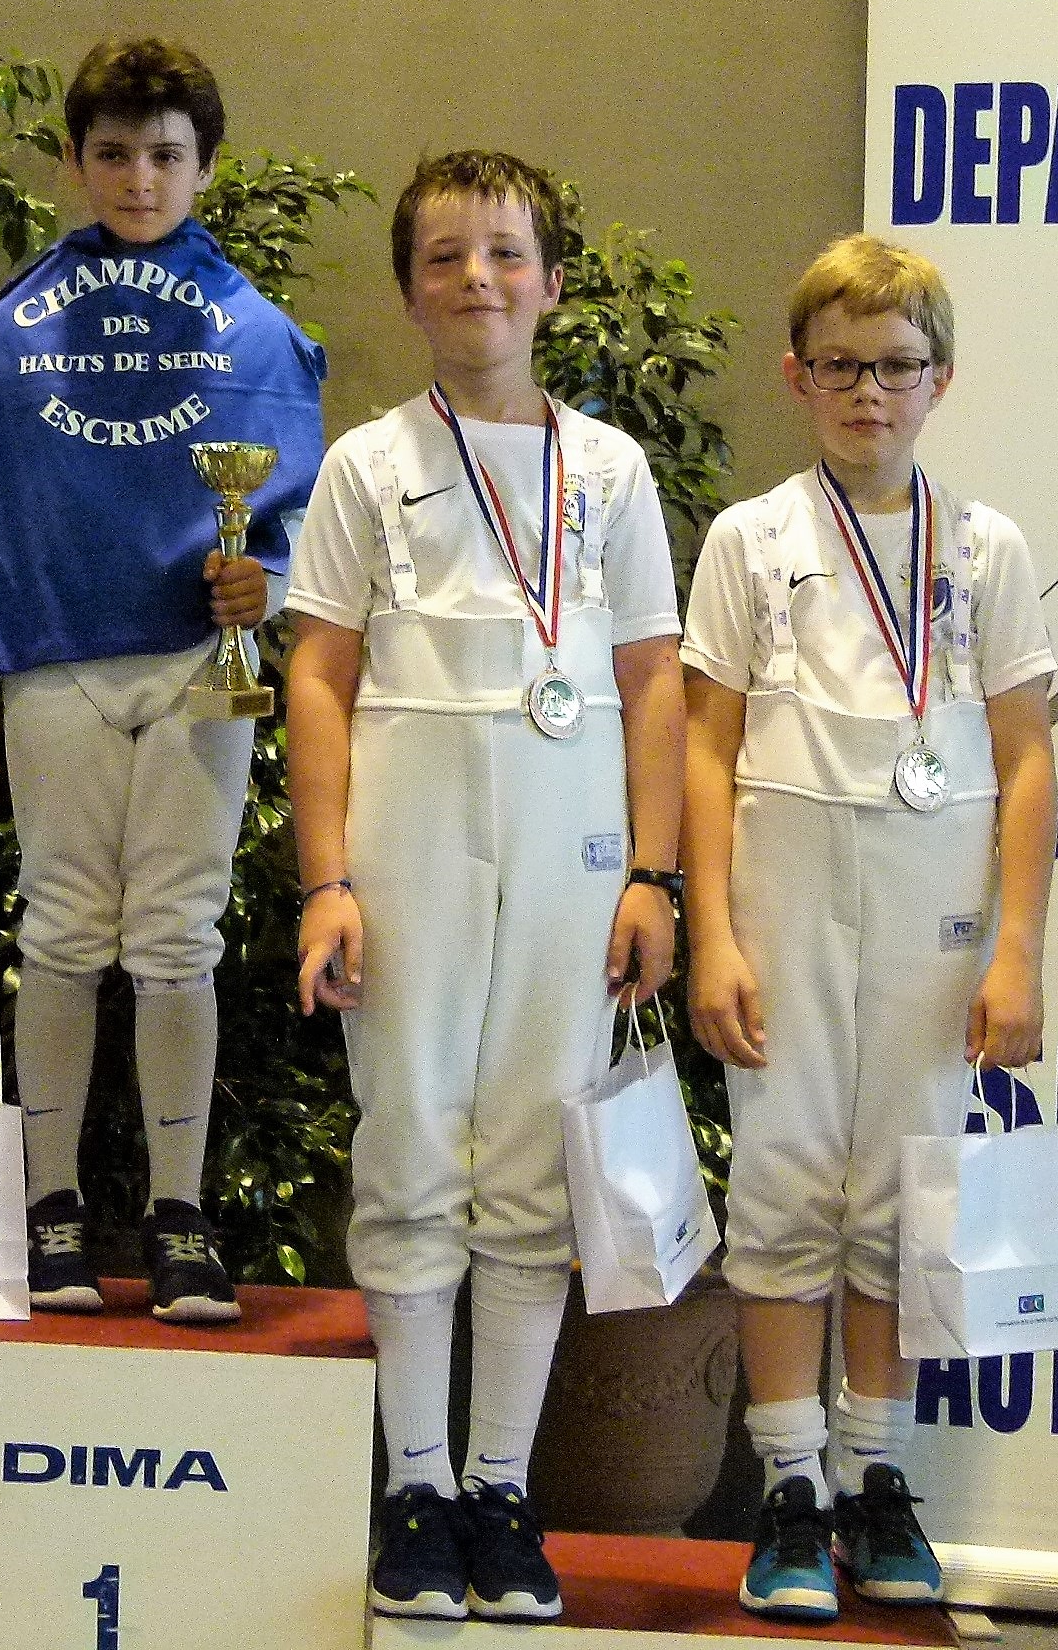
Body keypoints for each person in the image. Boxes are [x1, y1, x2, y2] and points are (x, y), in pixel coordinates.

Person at [286, 151, 685, 1623]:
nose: (479, 280)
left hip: (576, 853)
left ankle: (501, 1488)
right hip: (410, 851)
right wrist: (326, 881)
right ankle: (415, 1483)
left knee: (530, 1166)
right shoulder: (367, 464)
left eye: (507, 253)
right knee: (408, 1145)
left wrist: (653, 874)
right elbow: (317, 675)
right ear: (408, 291)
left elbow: (653, 681)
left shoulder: (614, 471)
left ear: (553, 283)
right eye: (446, 257)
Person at [0, 36, 328, 1324]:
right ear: (73, 161)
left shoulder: (259, 336)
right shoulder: (6, 339)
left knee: (177, 939)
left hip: (199, 666)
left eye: (164, 155)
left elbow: (305, 522)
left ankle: (180, 1216)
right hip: (57, 666)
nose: (140, 179)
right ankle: (52, 1211)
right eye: (113, 154)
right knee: (60, 933)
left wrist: (269, 585)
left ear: (206, 164)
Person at [679, 234, 1055, 1620]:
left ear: (939, 379)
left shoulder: (986, 548)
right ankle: (789, 1486)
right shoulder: (751, 540)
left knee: (908, 1185)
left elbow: (1027, 757)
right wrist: (711, 934)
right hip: (783, 894)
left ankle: (874, 1473)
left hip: (935, 902)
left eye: (895, 368)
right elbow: (705, 748)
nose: (867, 394)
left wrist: (1018, 953)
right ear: (796, 377)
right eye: (838, 367)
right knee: (785, 1181)